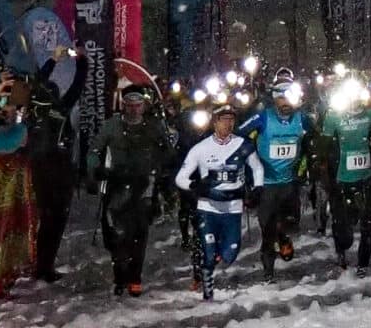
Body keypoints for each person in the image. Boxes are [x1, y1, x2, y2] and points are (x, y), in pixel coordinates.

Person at [90, 85, 178, 295]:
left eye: (138, 105)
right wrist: (95, 171)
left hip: (144, 184)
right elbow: (94, 151)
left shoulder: (154, 126)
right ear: (123, 106)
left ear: (143, 106)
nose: (133, 110)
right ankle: (120, 275)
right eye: (129, 105)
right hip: (117, 183)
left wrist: (165, 172)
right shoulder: (111, 126)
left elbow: (167, 152)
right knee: (115, 233)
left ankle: (135, 277)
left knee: (139, 232)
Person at [174, 106, 261, 299]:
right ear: (214, 122)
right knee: (206, 248)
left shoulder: (241, 144)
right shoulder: (199, 145)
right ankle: (204, 279)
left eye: (231, 119)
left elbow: (254, 167)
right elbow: (180, 175)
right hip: (205, 205)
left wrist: (256, 188)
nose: (228, 124)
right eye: (223, 119)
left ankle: (213, 259)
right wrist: (194, 186)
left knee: (229, 252)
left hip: (232, 205)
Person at [240, 73, 311, 272]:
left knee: (290, 223)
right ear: (274, 98)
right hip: (266, 182)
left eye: (289, 97)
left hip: (290, 181)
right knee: (267, 229)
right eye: (281, 97)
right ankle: (268, 269)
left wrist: (305, 166)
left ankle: (283, 236)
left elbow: (314, 141)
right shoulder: (263, 117)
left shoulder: (302, 118)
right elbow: (239, 135)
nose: (285, 101)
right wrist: (248, 159)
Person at [321, 81, 371, 269]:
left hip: (366, 178)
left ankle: (363, 265)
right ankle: (341, 249)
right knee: (345, 231)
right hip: (341, 179)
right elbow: (323, 146)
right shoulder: (333, 116)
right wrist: (322, 166)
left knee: (367, 223)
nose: (354, 101)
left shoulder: (370, 115)